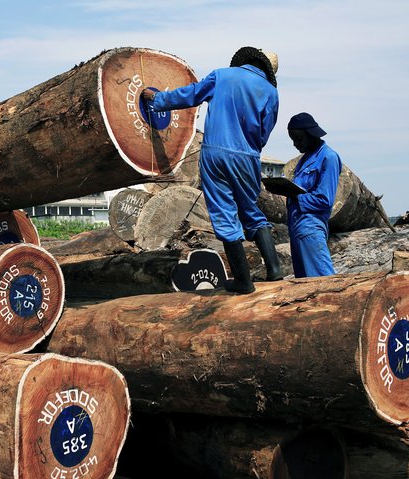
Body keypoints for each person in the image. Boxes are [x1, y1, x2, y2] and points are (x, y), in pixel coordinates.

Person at [141, 47, 281, 294]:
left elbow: (191, 95)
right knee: (251, 211)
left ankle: (243, 282)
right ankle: (274, 270)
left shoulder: (223, 76)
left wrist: (157, 100)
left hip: (216, 153)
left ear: (246, 60)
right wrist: (247, 148)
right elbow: (265, 131)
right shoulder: (271, 92)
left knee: (225, 214)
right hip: (249, 157)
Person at [286, 112, 340, 277]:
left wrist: (295, 196)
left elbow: (324, 200)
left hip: (310, 229)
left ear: (310, 135)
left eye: (298, 139)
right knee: (303, 285)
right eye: (293, 140)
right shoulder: (304, 159)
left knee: (323, 282)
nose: (295, 144)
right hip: (296, 229)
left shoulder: (328, 157)